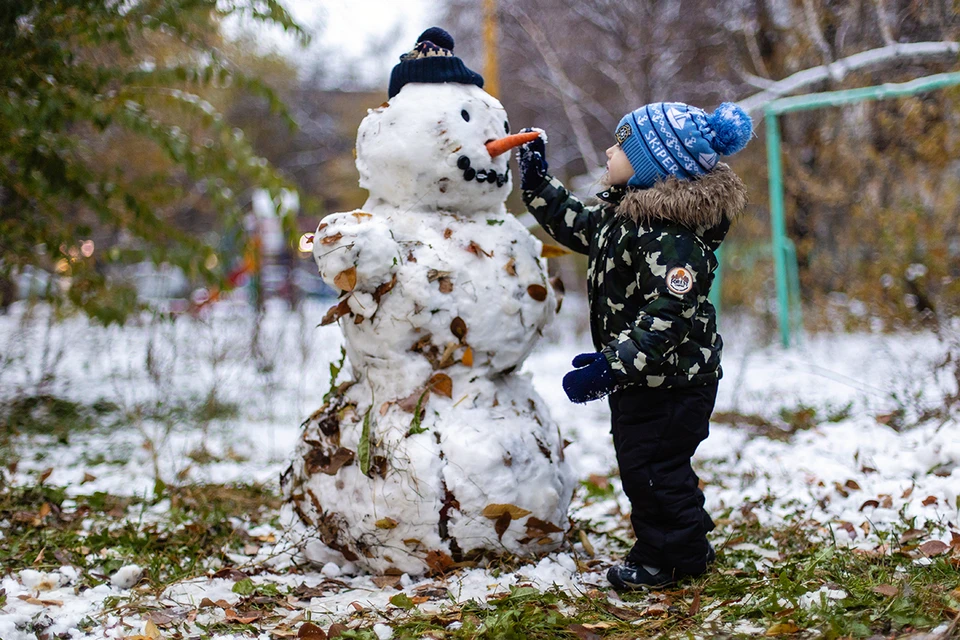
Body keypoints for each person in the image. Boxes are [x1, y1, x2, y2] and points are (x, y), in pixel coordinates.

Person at [517, 102, 752, 589]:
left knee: (651, 469)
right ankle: (685, 541)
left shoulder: (673, 239)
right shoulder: (625, 219)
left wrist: (611, 367)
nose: (609, 149)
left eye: (622, 144)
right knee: (650, 465)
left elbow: (667, 319)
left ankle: (669, 559)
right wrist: (538, 181)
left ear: (654, 163)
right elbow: (575, 224)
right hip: (647, 377)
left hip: (673, 383)